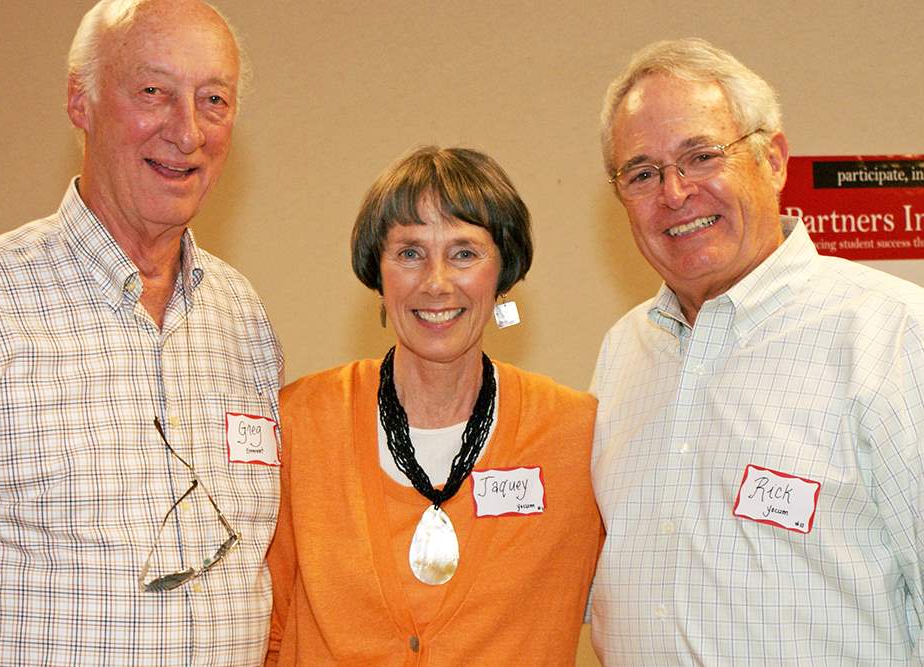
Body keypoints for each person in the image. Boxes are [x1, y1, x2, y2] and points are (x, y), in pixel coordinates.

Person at [0, 0, 283, 663]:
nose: (187, 132)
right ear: (80, 102)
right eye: (153, 92)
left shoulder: (243, 319)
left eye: (213, 100)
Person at [589, 37, 924, 664]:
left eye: (701, 156)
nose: (674, 193)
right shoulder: (624, 351)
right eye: (642, 173)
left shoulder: (897, 336)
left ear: (772, 160)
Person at [266, 146, 602, 664]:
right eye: (409, 253)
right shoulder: (303, 422)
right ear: (377, 273)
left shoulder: (574, 435)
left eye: (464, 253)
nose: (436, 282)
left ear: (503, 272)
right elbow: (264, 626)